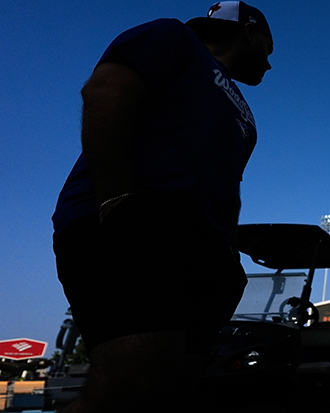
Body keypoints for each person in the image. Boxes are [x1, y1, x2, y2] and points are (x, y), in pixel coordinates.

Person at [51, 2, 273, 412]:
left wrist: (230, 256)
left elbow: (229, 189)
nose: (270, 64)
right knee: (131, 388)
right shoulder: (172, 37)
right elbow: (105, 91)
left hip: (202, 247)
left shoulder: (246, 114)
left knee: (175, 393)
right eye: (268, 48)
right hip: (135, 221)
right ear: (248, 31)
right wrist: (117, 201)